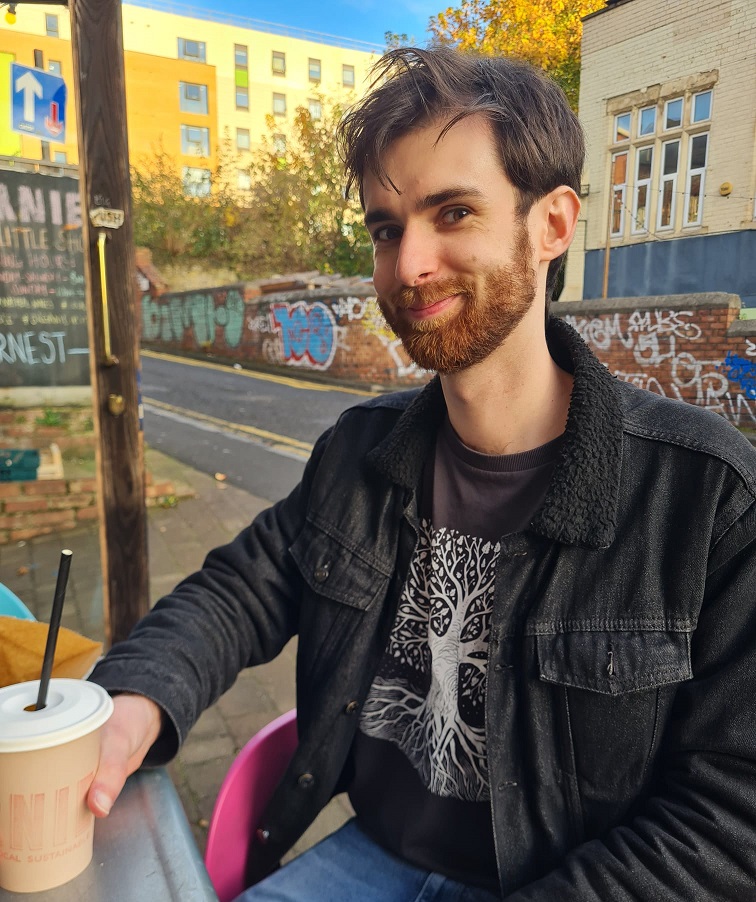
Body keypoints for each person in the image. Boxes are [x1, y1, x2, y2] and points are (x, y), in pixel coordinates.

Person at [87, 47, 756, 901]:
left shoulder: (708, 501)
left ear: (552, 224)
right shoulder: (359, 453)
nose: (408, 266)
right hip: (368, 855)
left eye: (454, 212)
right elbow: (242, 589)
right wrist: (136, 699)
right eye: (387, 228)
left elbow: (729, 825)